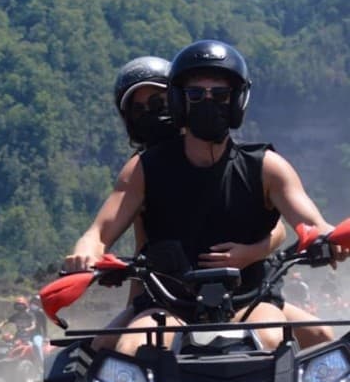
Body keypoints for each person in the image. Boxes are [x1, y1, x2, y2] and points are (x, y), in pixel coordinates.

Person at [66, 40, 345, 354]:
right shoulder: (143, 169)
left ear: (237, 101)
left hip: (250, 301)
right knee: (126, 349)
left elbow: (311, 223)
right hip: (169, 305)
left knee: (299, 341)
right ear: (180, 102)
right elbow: (99, 231)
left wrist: (328, 239)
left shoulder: (266, 167)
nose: (208, 103)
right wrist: (85, 253)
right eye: (196, 95)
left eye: (221, 95)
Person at [0, 296, 44, 365]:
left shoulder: (30, 315)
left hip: (30, 337)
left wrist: (29, 328)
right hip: (19, 336)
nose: (19, 307)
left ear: (25, 305)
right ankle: (3, 362)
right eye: (18, 305)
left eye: (21, 305)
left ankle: (41, 364)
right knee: (6, 344)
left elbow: (33, 325)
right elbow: (5, 322)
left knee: (36, 347)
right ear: (15, 306)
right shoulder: (15, 316)